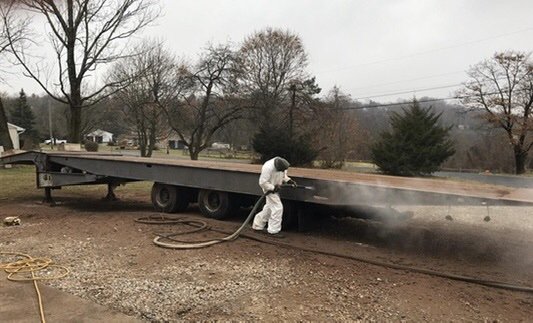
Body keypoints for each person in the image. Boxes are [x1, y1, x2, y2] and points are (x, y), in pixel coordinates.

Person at [252, 156, 296, 238]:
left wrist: (289, 180)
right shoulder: (267, 167)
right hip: (268, 188)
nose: (283, 171)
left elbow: (284, 175)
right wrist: (272, 188)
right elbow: (262, 182)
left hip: (275, 187)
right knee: (277, 207)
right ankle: (273, 231)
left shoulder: (283, 165)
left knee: (269, 207)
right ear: (277, 167)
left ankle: (257, 225)